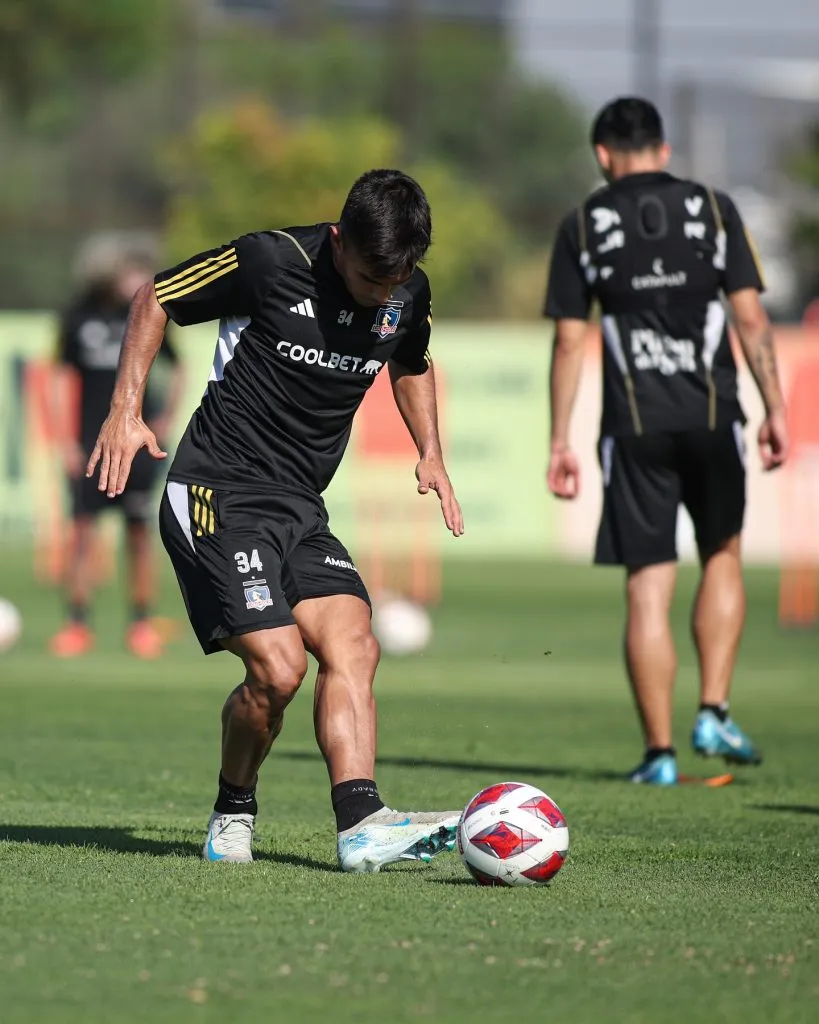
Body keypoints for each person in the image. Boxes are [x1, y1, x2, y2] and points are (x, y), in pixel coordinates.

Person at [86, 169, 465, 869]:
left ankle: (361, 826)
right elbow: (155, 297)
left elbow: (411, 360)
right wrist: (125, 409)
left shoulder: (406, 290)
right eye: (365, 274)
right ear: (337, 239)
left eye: (395, 279)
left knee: (355, 643)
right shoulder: (270, 261)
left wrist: (431, 451)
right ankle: (233, 809)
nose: (382, 292)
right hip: (216, 492)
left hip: (299, 507)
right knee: (280, 670)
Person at [544, 98, 789, 785]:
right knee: (721, 554)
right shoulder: (714, 210)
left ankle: (657, 756)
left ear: (601, 155)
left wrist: (558, 439)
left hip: (634, 427)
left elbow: (568, 340)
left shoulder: (583, 226)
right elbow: (750, 320)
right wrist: (774, 408)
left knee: (647, 585)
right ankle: (712, 707)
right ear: (664, 149)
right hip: (714, 419)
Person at [50, 241, 183, 659]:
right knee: (83, 533)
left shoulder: (145, 314)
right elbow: (58, 377)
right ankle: (77, 623)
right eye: (128, 273)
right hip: (90, 442)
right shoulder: (78, 316)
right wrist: (65, 439)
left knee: (140, 533)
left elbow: (177, 365)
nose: (135, 280)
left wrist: (165, 419)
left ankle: (141, 623)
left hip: (136, 444)